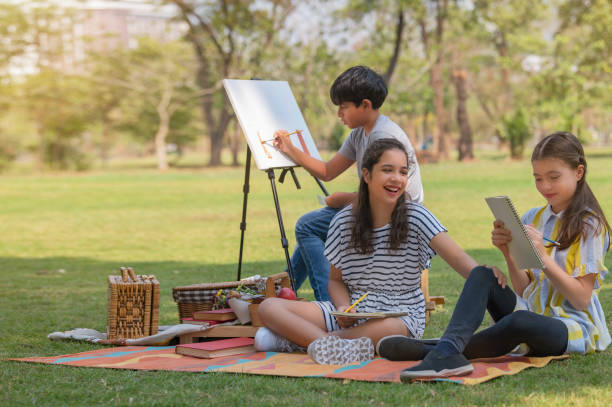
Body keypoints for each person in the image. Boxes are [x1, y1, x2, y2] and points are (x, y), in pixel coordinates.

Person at [379, 132, 611, 379]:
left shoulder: (590, 225)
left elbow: (581, 300)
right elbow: (523, 290)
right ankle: (447, 349)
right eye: (538, 178)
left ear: (578, 172)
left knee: (520, 321)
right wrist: (508, 253)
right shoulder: (533, 218)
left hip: (571, 327)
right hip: (531, 312)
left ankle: (441, 348)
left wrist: (543, 259)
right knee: (482, 274)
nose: (545, 187)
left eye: (554, 178)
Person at [254, 139, 498, 365]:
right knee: (269, 308)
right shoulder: (343, 221)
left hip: (400, 315)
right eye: (388, 170)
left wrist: (483, 274)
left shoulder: (418, 216)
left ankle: (306, 342)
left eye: (403, 172)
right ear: (367, 174)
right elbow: (335, 280)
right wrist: (344, 308)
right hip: (354, 310)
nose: (397, 179)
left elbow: (456, 257)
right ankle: (333, 345)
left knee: (390, 329)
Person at [273, 66, 424, 301]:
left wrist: (343, 199)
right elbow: (326, 171)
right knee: (313, 226)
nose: (339, 114)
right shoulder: (359, 134)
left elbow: (393, 196)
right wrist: (290, 149)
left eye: (343, 107)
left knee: (308, 226)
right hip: (375, 208)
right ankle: (283, 290)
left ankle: (328, 305)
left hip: (397, 216)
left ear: (364, 105)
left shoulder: (383, 137)